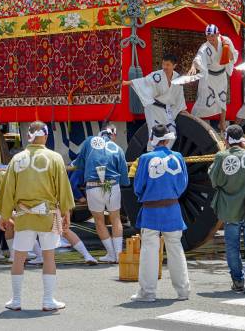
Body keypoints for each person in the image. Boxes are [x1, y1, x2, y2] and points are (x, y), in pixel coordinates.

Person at [0, 122, 74, 312]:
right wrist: (66, 212)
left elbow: (7, 190)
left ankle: (16, 300)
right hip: (47, 215)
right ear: (45, 135)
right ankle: (48, 300)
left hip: (23, 215)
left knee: (19, 258)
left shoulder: (17, 159)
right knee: (48, 256)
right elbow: (63, 188)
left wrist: (4, 215)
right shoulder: (55, 158)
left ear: (29, 136)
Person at [131, 125, 190, 302]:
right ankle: (183, 291)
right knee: (176, 248)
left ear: (153, 138)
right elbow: (183, 183)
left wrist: (146, 195)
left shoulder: (145, 158)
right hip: (172, 207)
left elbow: (138, 186)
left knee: (149, 248)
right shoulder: (178, 157)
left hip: (151, 209)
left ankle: (148, 292)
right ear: (168, 138)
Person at [209, 125, 245, 295]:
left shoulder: (222, 157)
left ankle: (237, 280)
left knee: (232, 246)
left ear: (227, 140)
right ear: (243, 139)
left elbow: (215, 181)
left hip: (230, 209)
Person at [72, 125, 129, 263]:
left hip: (93, 187)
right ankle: (118, 254)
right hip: (113, 186)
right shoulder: (118, 149)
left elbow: (79, 163)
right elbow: (125, 179)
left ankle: (111, 254)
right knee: (115, 219)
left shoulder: (89, 141)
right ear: (113, 136)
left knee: (99, 221)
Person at [189, 24, 239, 131]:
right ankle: (195, 120)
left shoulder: (226, 41)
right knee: (203, 98)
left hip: (221, 75)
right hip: (209, 77)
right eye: (208, 36)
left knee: (222, 98)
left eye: (212, 36)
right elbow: (197, 58)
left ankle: (222, 124)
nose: (210, 38)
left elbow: (232, 57)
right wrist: (193, 67)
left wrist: (227, 47)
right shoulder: (205, 47)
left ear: (217, 34)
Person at [124, 53, 186, 133]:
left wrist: (182, 109)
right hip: (153, 108)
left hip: (168, 110)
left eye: (168, 65)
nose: (164, 67)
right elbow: (144, 81)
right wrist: (128, 82)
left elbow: (179, 96)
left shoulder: (178, 78)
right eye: (163, 64)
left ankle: (164, 146)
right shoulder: (157, 76)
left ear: (174, 66)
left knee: (171, 133)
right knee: (156, 134)